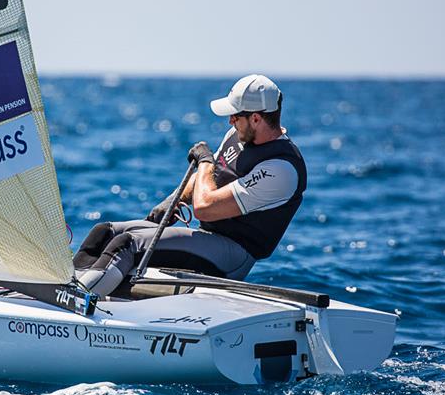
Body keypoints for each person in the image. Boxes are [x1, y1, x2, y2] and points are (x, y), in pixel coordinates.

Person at [73, 74, 307, 297]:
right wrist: (172, 201)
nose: (230, 121)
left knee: (127, 245)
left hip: (233, 255)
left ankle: (76, 299)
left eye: (235, 116)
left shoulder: (281, 169)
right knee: (104, 232)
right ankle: (62, 287)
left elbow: (205, 207)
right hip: (207, 237)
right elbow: (207, 179)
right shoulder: (237, 135)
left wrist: (204, 161)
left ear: (256, 118)